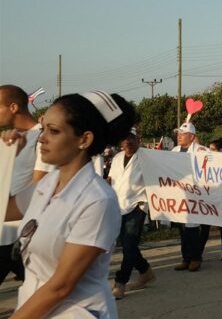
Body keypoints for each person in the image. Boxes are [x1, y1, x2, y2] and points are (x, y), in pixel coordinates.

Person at [3, 90, 135, 317]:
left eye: (53, 131)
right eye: (43, 129)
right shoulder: (46, 186)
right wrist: (6, 157)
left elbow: (61, 287)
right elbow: (4, 210)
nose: (42, 138)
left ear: (84, 139)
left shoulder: (97, 201)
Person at [0, 85, 53, 286]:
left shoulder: (42, 138)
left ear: (13, 107)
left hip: (19, 231)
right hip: (5, 226)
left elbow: (40, 186)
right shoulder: (11, 139)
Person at [108, 128, 155, 299]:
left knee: (128, 245)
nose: (128, 141)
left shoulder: (147, 157)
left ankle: (120, 283)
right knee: (128, 245)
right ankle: (145, 271)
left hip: (138, 205)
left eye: (131, 138)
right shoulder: (117, 158)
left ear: (138, 139)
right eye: (125, 138)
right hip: (118, 205)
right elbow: (111, 180)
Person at [171, 122, 209, 272]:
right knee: (183, 228)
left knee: (192, 227)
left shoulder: (200, 150)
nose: (179, 136)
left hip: (195, 194)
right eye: (178, 133)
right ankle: (186, 258)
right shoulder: (174, 151)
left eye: (183, 133)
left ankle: (195, 258)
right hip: (179, 195)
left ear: (192, 137)